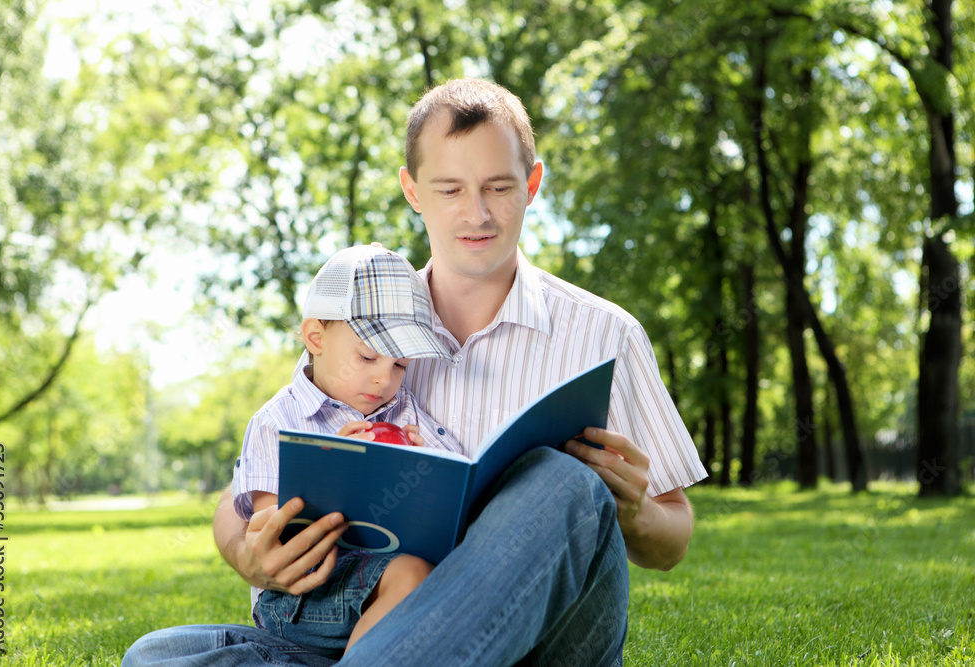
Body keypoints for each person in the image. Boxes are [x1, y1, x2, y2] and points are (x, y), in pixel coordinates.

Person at [122, 78, 707, 667]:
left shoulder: (605, 335)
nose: (476, 213)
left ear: (531, 186)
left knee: (563, 483)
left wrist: (631, 513)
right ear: (413, 191)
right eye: (450, 188)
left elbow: (673, 536)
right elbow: (254, 477)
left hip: (541, 641)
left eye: (498, 187)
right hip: (372, 622)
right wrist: (245, 555)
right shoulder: (367, 322)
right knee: (157, 655)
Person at [232, 243, 464, 660]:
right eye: (367, 356)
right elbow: (269, 531)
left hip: (380, 586)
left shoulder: (404, 411)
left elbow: (459, 487)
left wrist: (424, 461)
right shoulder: (276, 420)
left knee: (425, 578)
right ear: (315, 337)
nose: (382, 379)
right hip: (302, 592)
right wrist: (340, 465)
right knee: (411, 575)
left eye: (399, 366)